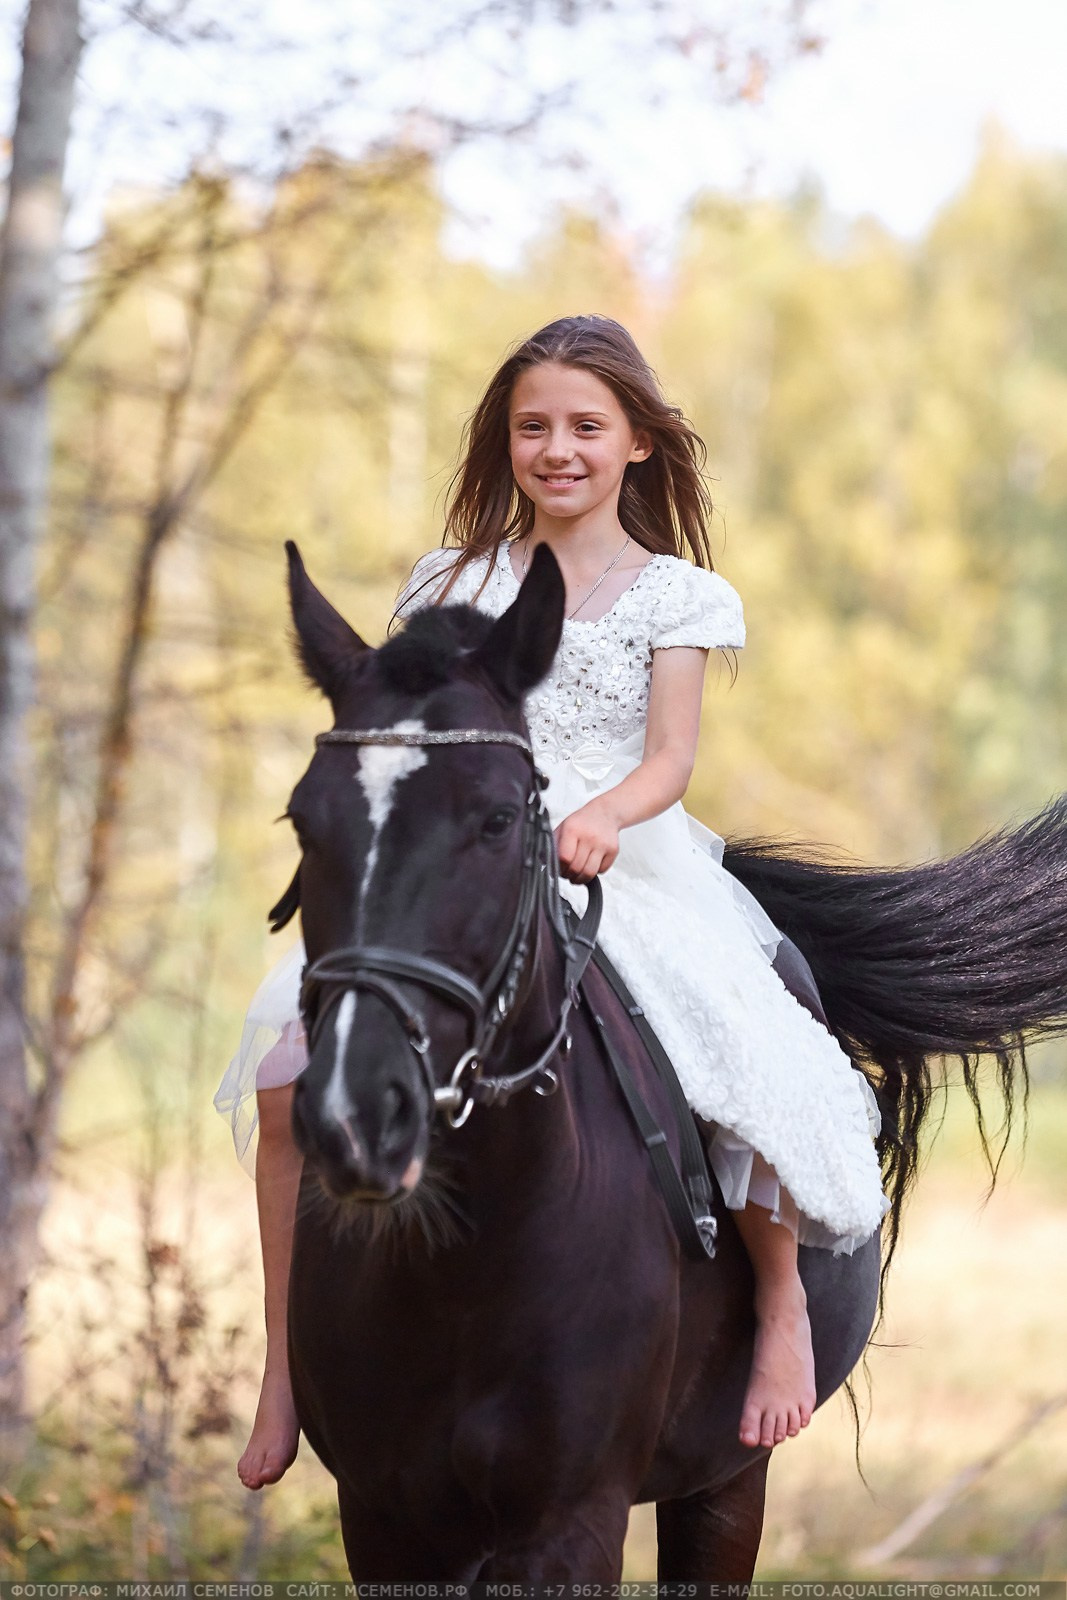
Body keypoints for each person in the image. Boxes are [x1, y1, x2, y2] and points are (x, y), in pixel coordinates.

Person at [215, 313, 889, 1492]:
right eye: (533, 426)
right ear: (505, 441)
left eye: (586, 425)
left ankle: (779, 1300)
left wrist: (606, 817)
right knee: (281, 1065)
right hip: (471, 850)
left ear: (637, 443)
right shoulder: (454, 579)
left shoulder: (671, 594)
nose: (556, 447)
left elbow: (669, 757)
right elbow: (413, 730)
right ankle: (286, 1361)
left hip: (619, 849)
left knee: (730, 1039)